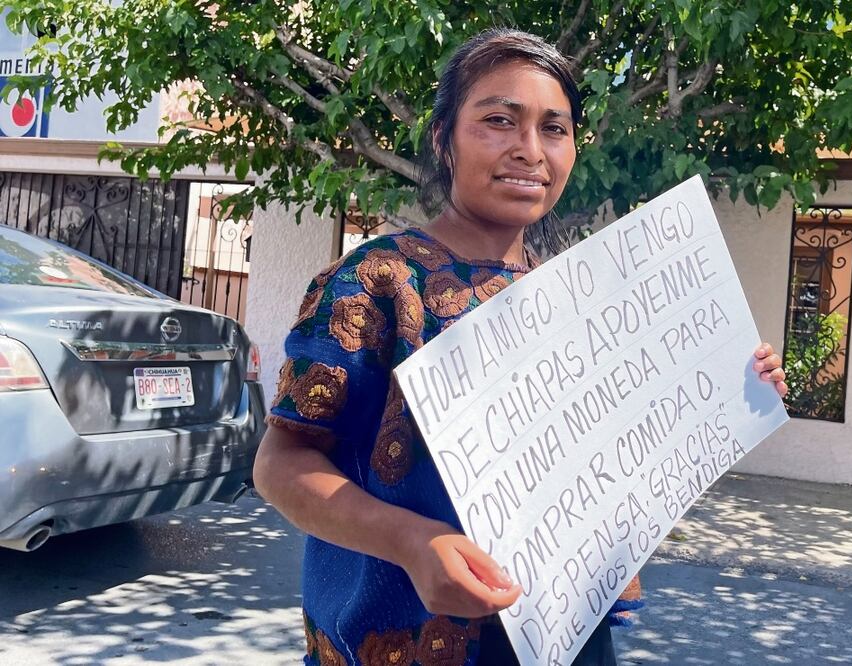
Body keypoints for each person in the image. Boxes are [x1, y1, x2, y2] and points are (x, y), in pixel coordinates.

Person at [254, 28, 788, 666]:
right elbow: (280, 464)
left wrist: (726, 389)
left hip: (569, 635)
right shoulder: (377, 282)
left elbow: (616, 460)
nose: (529, 150)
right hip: (402, 640)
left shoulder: (577, 299)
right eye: (498, 121)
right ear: (441, 138)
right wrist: (410, 540)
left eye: (553, 129)